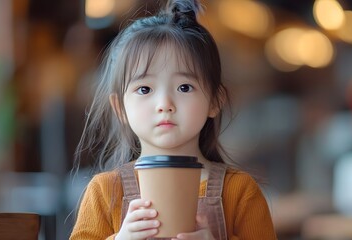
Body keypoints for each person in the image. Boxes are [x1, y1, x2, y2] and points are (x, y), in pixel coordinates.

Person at [70, 0, 277, 239]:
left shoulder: (239, 192)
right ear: (120, 108)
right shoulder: (105, 192)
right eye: (145, 89)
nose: (164, 104)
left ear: (214, 102)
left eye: (184, 87)